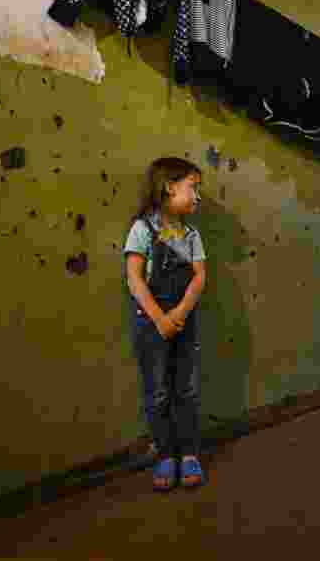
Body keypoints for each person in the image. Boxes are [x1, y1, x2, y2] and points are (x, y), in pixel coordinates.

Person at [123, 157, 207, 490]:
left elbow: (200, 277)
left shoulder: (192, 235)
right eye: (193, 188)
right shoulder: (142, 229)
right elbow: (133, 278)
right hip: (151, 325)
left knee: (186, 389)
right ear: (169, 187)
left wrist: (181, 313)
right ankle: (165, 456)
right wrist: (160, 319)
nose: (197, 196)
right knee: (157, 392)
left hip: (184, 323)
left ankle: (189, 454)